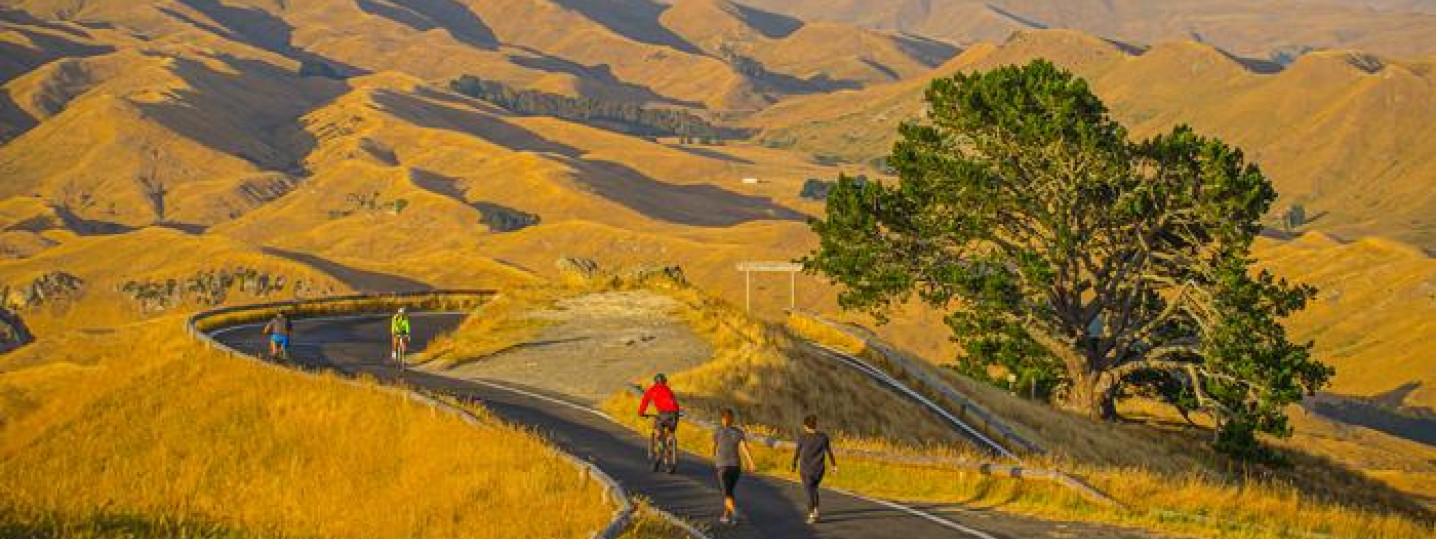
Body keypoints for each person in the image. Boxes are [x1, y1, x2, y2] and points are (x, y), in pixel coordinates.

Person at [791, 414, 838, 524]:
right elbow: (829, 452)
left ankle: (812, 513)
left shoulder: (803, 437)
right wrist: (834, 465)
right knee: (814, 489)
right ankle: (816, 510)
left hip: (806, 469)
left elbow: (797, 452)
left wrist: (793, 464)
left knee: (808, 490)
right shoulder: (823, 437)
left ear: (806, 426)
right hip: (819, 469)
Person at [713, 407, 756, 526]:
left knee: (726, 493)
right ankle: (727, 515)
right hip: (736, 467)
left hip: (723, 466)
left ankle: (735, 513)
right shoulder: (738, 432)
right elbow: (744, 449)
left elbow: (715, 448)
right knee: (729, 491)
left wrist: (715, 459)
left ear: (722, 419)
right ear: (733, 419)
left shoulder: (717, 432)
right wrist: (751, 462)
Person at [638, 374, 682, 444]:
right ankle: (670, 441)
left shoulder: (652, 390)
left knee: (658, 427)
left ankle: (660, 442)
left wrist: (641, 412)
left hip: (663, 413)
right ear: (665, 381)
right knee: (671, 429)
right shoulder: (668, 389)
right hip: (675, 413)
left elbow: (645, 402)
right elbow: (674, 402)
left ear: (655, 382)